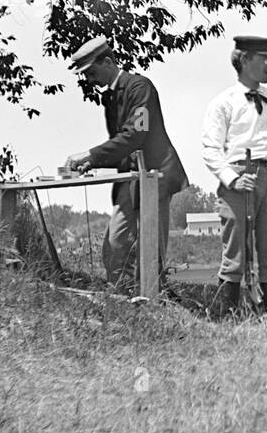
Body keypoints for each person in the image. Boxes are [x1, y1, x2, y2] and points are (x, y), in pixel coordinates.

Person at [64, 37, 188, 292]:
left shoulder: (140, 87)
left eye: (91, 72)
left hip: (156, 177)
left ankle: (155, 300)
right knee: (115, 245)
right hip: (130, 179)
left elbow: (135, 135)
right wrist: (95, 163)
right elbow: (122, 144)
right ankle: (122, 300)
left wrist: (90, 154)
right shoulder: (110, 98)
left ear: (108, 62)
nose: (89, 80)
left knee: (150, 247)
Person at [201, 36, 267, 317]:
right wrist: (231, 179)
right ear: (244, 60)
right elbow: (210, 149)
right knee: (235, 255)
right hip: (240, 177)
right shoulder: (223, 102)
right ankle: (228, 317)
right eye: (264, 59)